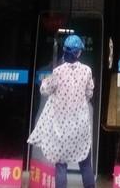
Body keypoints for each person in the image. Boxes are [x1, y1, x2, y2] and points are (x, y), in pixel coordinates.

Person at [28, 35, 95, 188]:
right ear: (79, 53)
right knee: (85, 164)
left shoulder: (58, 72)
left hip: (61, 128)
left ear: (64, 51)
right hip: (80, 127)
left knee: (61, 166)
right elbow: (89, 93)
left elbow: (45, 90)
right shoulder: (87, 71)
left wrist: (45, 81)